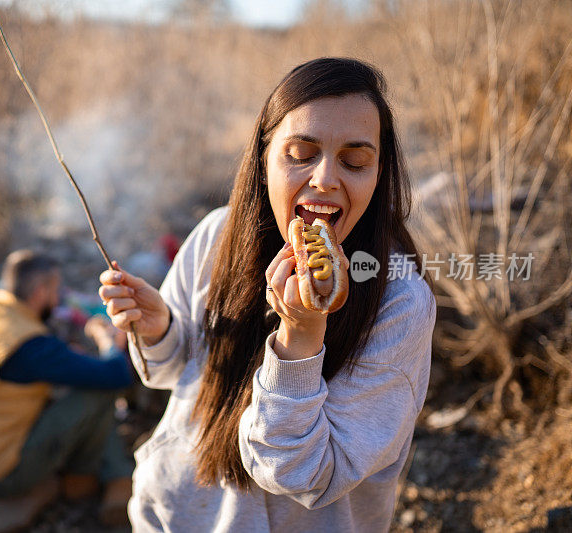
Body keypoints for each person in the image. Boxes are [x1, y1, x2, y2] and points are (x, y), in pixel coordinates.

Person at [98, 58, 436, 532]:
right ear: (263, 159)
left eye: (355, 161)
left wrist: (301, 338)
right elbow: (171, 373)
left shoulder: (399, 303)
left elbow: (305, 476)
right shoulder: (218, 237)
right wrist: (161, 329)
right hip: (172, 516)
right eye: (301, 153)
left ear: (378, 175)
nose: (324, 178)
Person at [0, 250, 134, 526]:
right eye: (56, 290)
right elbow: (116, 374)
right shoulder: (30, 347)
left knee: (76, 383)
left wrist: (65, 358)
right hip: (0, 472)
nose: (59, 298)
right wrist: (106, 341)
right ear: (40, 292)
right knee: (98, 391)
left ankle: (113, 477)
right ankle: (85, 480)